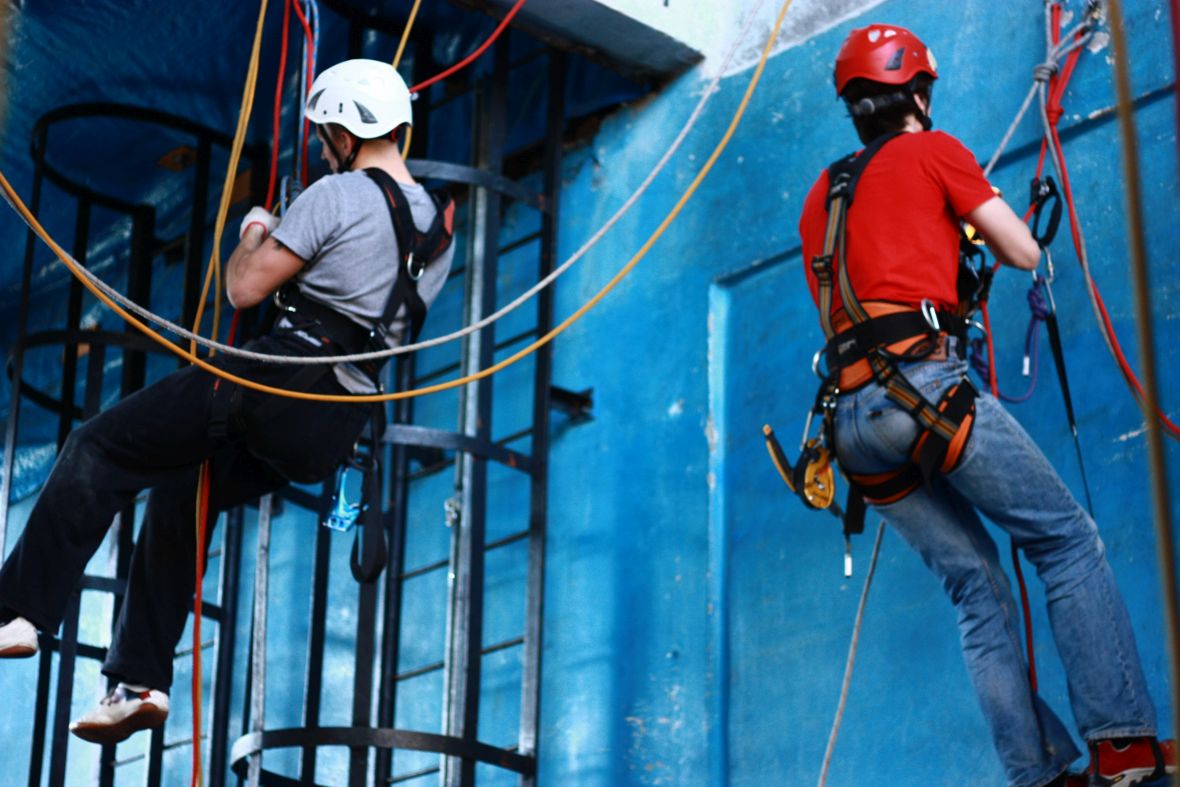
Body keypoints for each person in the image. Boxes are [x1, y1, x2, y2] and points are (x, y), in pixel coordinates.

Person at [0, 58, 454, 745]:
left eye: (327, 130)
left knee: (101, 444)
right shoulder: (437, 232)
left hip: (277, 378)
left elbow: (245, 289)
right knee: (187, 490)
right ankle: (139, 680)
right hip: (335, 424)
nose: (326, 144)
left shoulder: (336, 195)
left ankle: (18, 610)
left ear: (344, 127)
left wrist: (254, 232)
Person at [796, 24, 1174, 787]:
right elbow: (1022, 250)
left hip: (850, 424)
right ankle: (1125, 750)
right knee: (1065, 541)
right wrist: (975, 220)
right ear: (920, 93)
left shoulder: (820, 195)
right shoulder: (936, 151)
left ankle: (1038, 776)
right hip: (927, 390)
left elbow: (868, 286)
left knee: (975, 588)